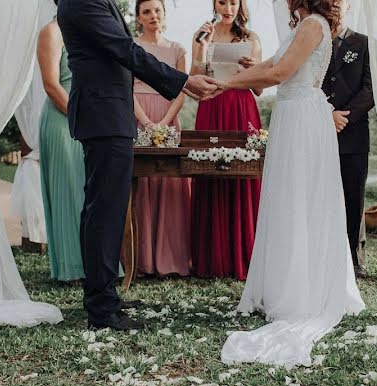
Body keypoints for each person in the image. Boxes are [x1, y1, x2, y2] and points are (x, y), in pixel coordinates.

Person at [218, 0, 365, 367]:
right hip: (291, 115)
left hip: (302, 118)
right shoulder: (302, 25)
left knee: (299, 200)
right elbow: (269, 66)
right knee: (285, 201)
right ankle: (283, 282)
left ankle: (301, 290)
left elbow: (279, 73)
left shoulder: (313, 24)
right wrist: (246, 73)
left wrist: (224, 83)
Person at [56, 0, 218, 331]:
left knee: (102, 210)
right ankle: (102, 310)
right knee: (105, 211)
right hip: (104, 114)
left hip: (108, 113)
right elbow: (125, 49)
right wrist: (183, 81)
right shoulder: (81, 2)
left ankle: (103, 294)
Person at [190, 0, 264, 280]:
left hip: (242, 109)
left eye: (234, 2)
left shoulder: (251, 38)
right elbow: (193, 83)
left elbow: (259, 88)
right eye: (223, 1)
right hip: (211, 107)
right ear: (214, 4)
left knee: (244, 177)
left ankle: (245, 256)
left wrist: (253, 68)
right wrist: (200, 48)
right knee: (208, 174)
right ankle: (212, 259)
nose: (228, 8)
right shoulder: (202, 35)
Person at [133, 0, 192, 277]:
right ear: (139, 18)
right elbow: (126, 87)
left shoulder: (178, 49)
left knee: (170, 184)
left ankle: (170, 259)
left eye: (157, 10)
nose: (153, 15)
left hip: (168, 118)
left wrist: (164, 124)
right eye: (146, 11)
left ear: (164, 15)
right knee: (140, 185)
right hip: (137, 116)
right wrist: (145, 123)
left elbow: (181, 91)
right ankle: (141, 259)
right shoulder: (131, 47)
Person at [321, 20, 374, 279]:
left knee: (354, 199)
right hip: (319, 129)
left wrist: (345, 116)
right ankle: (323, 256)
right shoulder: (314, 40)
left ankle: (354, 260)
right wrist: (326, 114)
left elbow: (371, 88)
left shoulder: (363, 42)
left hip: (353, 135)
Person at [37, 15, 85, 282]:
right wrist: (81, 118)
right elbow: (51, 85)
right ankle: (72, 266)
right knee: (67, 190)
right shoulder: (52, 31)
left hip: (86, 119)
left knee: (84, 191)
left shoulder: (84, 28)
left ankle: (92, 263)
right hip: (62, 118)